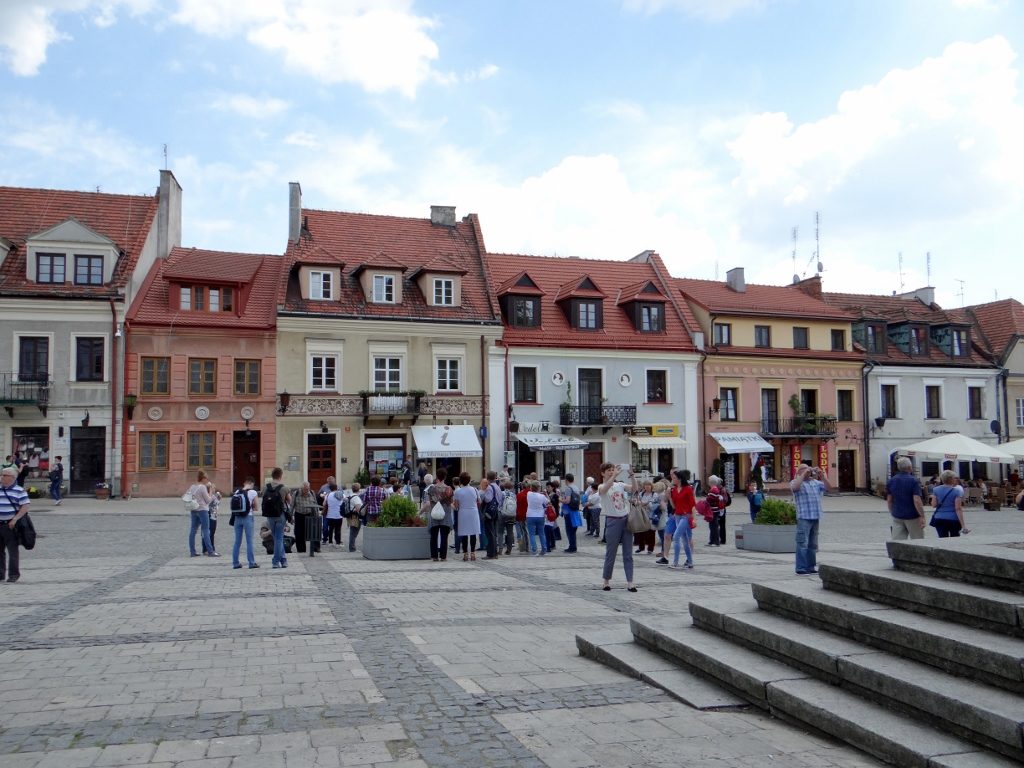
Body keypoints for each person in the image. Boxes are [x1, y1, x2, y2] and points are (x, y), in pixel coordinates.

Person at [598, 462, 637, 592]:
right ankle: (606, 581)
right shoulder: (601, 486)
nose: (611, 472)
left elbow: (634, 489)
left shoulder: (619, 485)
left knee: (628, 553)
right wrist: (614, 475)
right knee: (611, 553)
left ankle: (630, 582)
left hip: (625, 519)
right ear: (603, 473)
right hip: (612, 521)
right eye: (608, 470)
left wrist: (632, 475)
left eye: (612, 470)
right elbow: (604, 490)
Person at [790, 462, 830, 575]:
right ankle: (801, 568)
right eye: (803, 469)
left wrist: (822, 476)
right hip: (804, 517)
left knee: (813, 545)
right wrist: (803, 475)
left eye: (808, 468)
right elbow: (795, 488)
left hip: (815, 516)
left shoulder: (816, 483)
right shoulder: (795, 482)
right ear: (799, 472)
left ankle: (811, 566)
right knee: (802, 543)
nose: (807, 470)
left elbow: (828, 488)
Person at [0, 465, 30, 582]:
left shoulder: (19, 490)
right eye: (1, 475)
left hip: (10, 525)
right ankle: (0, 574)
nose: (1, 477)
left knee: (12, 551)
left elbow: (25, 506)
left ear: (12, 477)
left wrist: (15, 519)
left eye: (4, 475)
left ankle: (13, 575)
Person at [887, 457, 926, 540]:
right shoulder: (914, 481)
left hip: (897, 515)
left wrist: (892, 512)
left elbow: (889, 500)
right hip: (913, 516)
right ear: (909, 467)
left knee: (898, 541)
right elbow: (917, 500)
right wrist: (922, 516)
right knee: (917, 540)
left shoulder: (891, 481)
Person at [665, 469, 695, 569]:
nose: (672, 480)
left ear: (680, 479)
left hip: (686, 516)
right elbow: (674, 506)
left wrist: (693, 518)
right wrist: (669, 497)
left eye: (674, 478)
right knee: (684, 539)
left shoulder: (688, 489)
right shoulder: (674, 490)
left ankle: (675, 562)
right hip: (677, 515)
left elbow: (692, 504)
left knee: (676, 537)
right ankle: (690, 562)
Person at [263, 467, 291, 568]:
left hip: (270, 515)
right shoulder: (284, 488)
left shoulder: (265, 487)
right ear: (280, 476)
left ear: (272, 476)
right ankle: (275, 562)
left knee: (276, 538)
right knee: (279, 538)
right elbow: (289, 501)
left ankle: (283, 560)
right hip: (280, 515)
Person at [929, 469, 969, 538]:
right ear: (951, 479)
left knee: (942, 539)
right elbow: (958, 508)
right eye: (954, 478)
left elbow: (934, 505)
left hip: (939, 518)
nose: (955, 479)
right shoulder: (957, 491)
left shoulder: (936, 489)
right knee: (955, 539)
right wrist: (963, 526)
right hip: (953, 519)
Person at [231, 477, 260, 569]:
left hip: (237, 518)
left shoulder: (237, 492)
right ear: (252, 484)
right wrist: (250, 507)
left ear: (244, 483)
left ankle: (235, 563)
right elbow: (257, 507)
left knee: (237, 541)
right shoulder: (253, 492)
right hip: (248, 517)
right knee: (249, 541)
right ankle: (251, 562)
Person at [187, 471, 218, 557]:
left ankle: (192, 552)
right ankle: (210, 551)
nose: (207, 480)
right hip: (202, 510)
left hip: (194, 509)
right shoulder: (202, 487)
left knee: (193, 530)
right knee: (206, 530)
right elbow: (208, 500)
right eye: (207, 478)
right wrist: (211, 492)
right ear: (203, 478)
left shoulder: (192, 487)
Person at [453, 472, 482, 561]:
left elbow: (456, 506)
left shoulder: (458, 491)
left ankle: (465, 553)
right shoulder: (475, 489)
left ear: (460, 481)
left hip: (463, 512)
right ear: (469, 480)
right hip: (473, 512)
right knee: (473, 533)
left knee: (464, 533)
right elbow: (479, 502)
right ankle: (473, 553)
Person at [426, 472, 454, 562]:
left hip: (434, 514)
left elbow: (430, 501)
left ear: (437, 477)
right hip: (445, 514)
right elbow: (450, 502)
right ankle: (443, 556)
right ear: (445, 477)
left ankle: (434, 556)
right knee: (444, 537)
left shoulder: (431, 488)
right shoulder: (449, 489)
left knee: (434, 536)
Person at [633, 479, 660, 555]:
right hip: (642, 514)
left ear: (651, 486)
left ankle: (650, 548)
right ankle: (641, 547)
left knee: (651, 532)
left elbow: (652, 503)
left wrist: (643, 503)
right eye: (646, 485)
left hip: (651, 515)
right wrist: (639, 503)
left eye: (649, 485)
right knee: (641, 531)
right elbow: (637, 502)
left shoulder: (654, 494)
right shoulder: (641, 494)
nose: (647, 486)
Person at [480, 470, 503, 559]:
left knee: (489, 533)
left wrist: (483, 492)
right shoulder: (497, 487)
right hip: (496, 511)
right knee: (494, 532)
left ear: (487, 477)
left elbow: (488, 499)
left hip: (489, 512)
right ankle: (495, 553)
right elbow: (500, 499)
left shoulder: (489, 487)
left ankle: (491, 554)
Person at [292, 481, 319, 553]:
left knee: (313, 531)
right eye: (305, 489)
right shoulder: (296, 493)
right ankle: (301, 550)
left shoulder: (312, 493)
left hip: (309, 514)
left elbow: (315, 504)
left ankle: (315, 548)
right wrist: (291, 516)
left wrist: (317, 515)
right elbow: (292, 505)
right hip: (299, 515)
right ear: (301, 488)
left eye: (308, 489)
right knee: (299, 533)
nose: (307, 491)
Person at [525, 480, 550, 556]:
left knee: (531, 534)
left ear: (531, 487)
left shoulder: (528, 494)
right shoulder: (542, 496)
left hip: (530, 515)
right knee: (541, 533)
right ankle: (544, 549)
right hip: (540, 516)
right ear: (539, 488)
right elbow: (548, 502)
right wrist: (546, 494)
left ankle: (534, 550)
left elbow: (529, 488)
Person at [323, 482, 345, 546]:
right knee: (338, 529)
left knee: (330, 529)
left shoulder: (328, 495)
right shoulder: (341, 494)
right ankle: (338, 542)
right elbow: (345, 501)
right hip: (339, 515)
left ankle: (330, 542)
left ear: (330, 488)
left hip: (330, 515)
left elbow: (324, 504)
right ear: (337, 488)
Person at [705, 475, 725, 547]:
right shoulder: (715, 489)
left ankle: (716, 542)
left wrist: (705, 501)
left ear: (711, 482)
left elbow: (709, 499)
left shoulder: (713, 490)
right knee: (712, 526)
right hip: (714, 510)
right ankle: (712, 541)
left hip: (714, 510)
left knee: (714, 526)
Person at [347, 484, 364, 552]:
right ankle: (352, 548)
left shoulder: (350, 496)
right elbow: (358, 509)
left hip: (350, 516)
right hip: (355, 516)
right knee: (354, 532)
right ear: (359, 489)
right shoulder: (356, 497)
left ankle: (352, 547)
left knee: (352, 532)